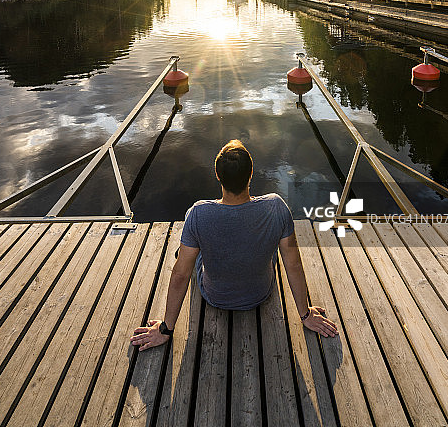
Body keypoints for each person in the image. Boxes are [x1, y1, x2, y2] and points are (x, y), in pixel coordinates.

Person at [130, 139, 338, 350]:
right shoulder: (276, 206)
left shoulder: (198, 213)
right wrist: (305, 314)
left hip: (215, 296)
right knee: (275, 242)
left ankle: (187, 249)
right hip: (260, 293)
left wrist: (166, 329)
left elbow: (180, 275)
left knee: (190, 248)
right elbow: (292, 265)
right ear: (251, 174)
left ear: (218, 175)